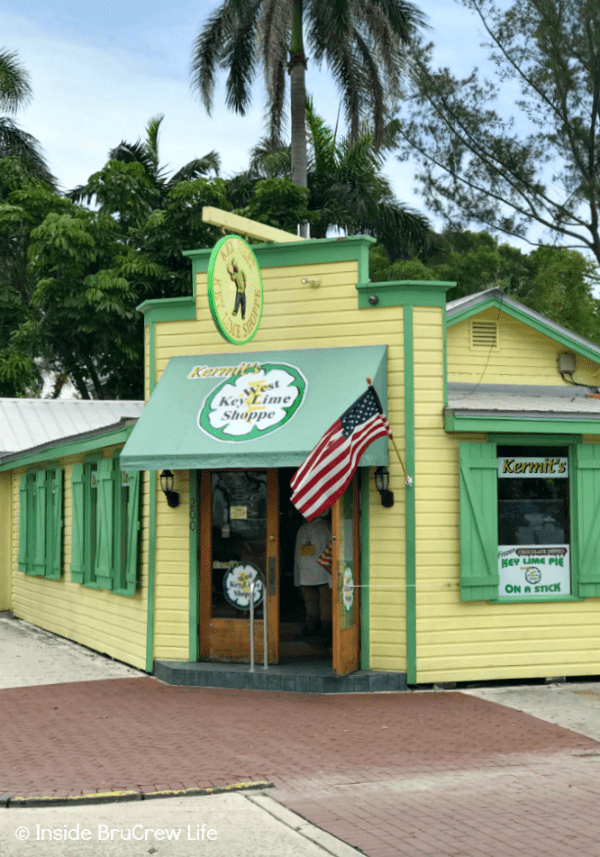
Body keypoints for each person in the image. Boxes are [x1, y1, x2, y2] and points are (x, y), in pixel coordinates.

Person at [294, 512, 332, 638]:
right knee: (325, 602)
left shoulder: (303, 529)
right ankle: (325, 630)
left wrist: (297, 577)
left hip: (306, 571)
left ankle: (311, 628)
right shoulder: (327, 527)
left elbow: (299, 553)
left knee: (310, 602)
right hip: (324, 570)